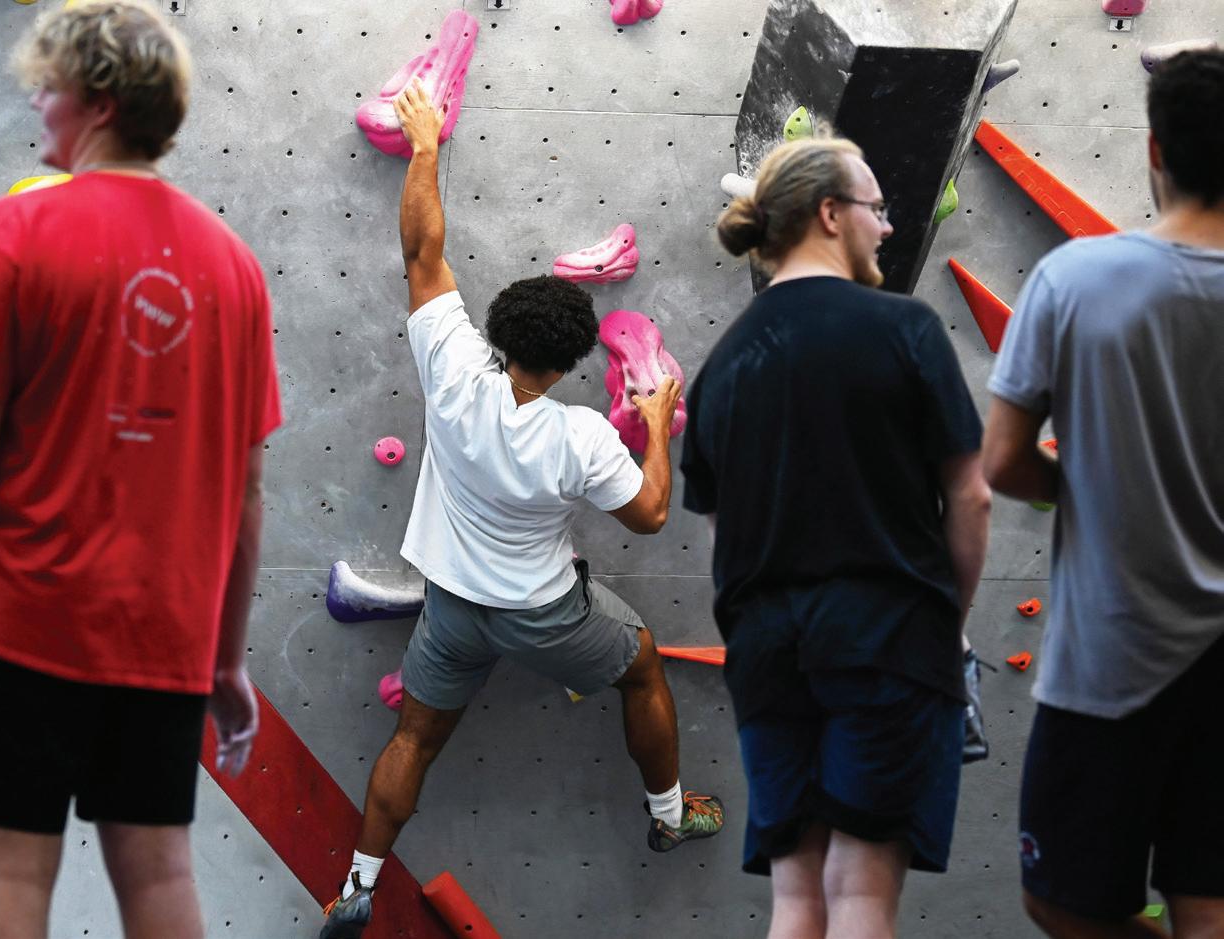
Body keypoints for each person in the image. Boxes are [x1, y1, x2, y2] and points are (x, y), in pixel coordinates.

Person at [0, 3, 280, 937]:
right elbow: (243, 497)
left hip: (18, 623)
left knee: (9, 871)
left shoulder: (16, 234)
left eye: (49, 85)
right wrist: (225, 661)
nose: (38, 101)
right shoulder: (233, 269)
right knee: (159, 876)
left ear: (99, 102)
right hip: (160, 636)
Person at [319, 82, 724, 939]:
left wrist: (424, 147)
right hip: (543, 613)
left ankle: (355, 885)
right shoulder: (579, 436)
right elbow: (651, 514)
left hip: (451, 610)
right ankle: (669, 814)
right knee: (642, 668)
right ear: (574, 362)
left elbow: (422, 251)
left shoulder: (453, 370)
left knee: (413, 739)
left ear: (498, 331)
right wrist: (655, 427)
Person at [681, 135, 991, 939]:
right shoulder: (904, 329)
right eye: (875, 208)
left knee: (796, 901)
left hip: (766, 653)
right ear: (829, 213)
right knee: (859, 895)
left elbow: (721, 541)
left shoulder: (721, 367)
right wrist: (944, 624)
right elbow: (971, 496)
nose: (885, 227)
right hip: (887, 638)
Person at [983, 49, 1224, 939]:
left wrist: (1078, 488)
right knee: (1209, 901)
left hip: (1113, 656)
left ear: (1154, 150)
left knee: (1064, 901)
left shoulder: (1074, 280)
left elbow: (1003, 461)